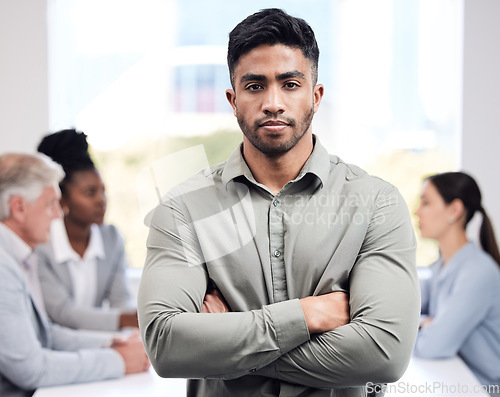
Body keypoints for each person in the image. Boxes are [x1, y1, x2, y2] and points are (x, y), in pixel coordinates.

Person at [138, 8, 420, 397]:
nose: (273, 102)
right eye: (255, 86)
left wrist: (226, 343)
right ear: (232, 100)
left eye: (290, 84)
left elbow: (383, 355)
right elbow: (167, 347)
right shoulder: (182, 208)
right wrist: (310, 315)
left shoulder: (377, 204)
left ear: (315, 96)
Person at [0, 153, 149, 397]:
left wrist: (108, 343)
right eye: (50, 204)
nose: (58, 215)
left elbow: (45, 334)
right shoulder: (3, 267)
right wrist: (117, 361)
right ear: (19, 208)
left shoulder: (21, 256)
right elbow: (30, 369)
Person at [36, 129, 137, 332]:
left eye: (103, 191)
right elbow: (63, 313)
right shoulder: (41, 243)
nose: (101, 201)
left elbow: (121, 301)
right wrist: (127, 320)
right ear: (62, 199)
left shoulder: (111, 238)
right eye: (90, 193)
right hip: (55, 348)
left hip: (99, 344)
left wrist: (130, 337)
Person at [414, 171, 500, 394]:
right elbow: (406, 311)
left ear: (454, 210)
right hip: (458, 380)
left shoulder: (478, 272)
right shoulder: (440, 268)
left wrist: (427, 326)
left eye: (426, 203)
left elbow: (431, 346)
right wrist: (426, 323)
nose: (416, 212)